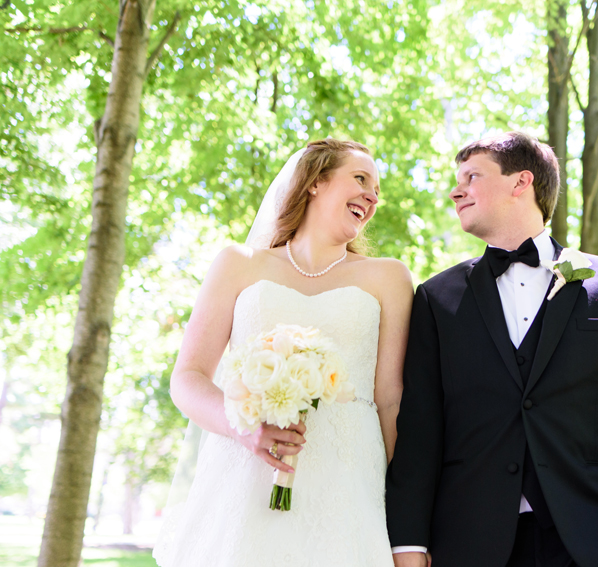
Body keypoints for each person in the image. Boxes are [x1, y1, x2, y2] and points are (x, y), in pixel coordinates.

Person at [386, 132, 598, 567]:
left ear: (521, 182)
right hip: (469, 542)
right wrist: (408, 542)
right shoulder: (436, 298)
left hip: (593, 540)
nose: (456, 191)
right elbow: (420, 430)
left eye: (472, 176)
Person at [153, 139, 413, 567]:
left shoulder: (389, 278)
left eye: (377, 191)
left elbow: (391, 399)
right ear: (316, 182)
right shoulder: (239, 263)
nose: (372, 195)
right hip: (243, 477)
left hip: (348, 486)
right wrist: (242, 427)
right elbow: (188, 378)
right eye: (361, 178)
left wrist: (406, 518)